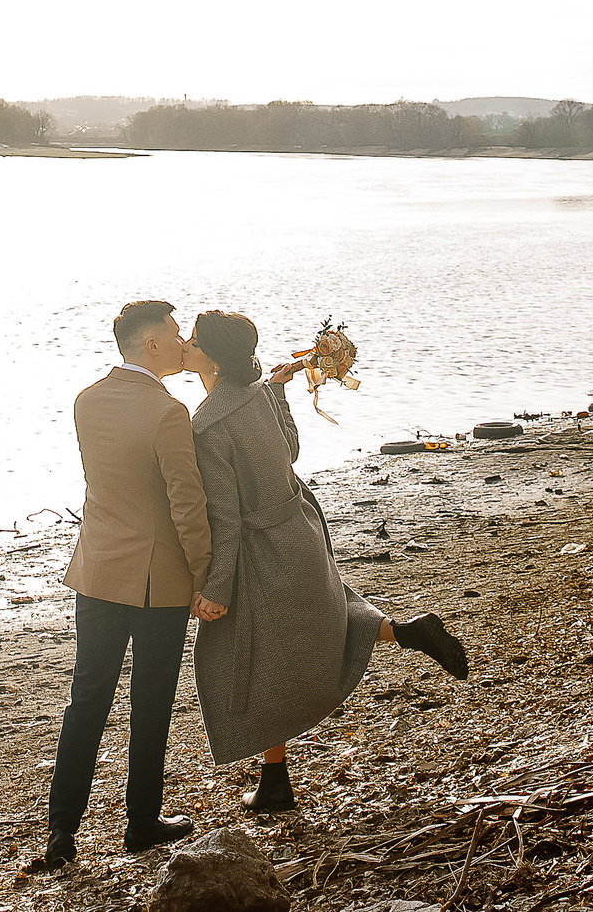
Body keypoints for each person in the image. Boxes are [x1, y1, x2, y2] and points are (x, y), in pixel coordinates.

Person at [183, 310, 469, 814]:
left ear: (211, 355)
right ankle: (276, 779)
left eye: (192, 339)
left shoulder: (207, 426)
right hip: (301, 523)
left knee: (252, 659)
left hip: (262, 548)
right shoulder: (256, 397)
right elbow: (290, 451)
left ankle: (275, 779)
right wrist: (277, 392)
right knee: (295, 639)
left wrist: (215, 587)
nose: (185, 343)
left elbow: (225, 517)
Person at [25, 300, 218, 874]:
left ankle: (62, 833)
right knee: (150, 701)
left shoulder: (87, 400)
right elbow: (186, 502)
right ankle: (141, 822)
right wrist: (206, 573)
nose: (183, 341)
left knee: (86, 698)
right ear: (152, 343)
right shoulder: (168, 412)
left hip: (99, 569)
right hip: (157, 580)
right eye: (176, 333)